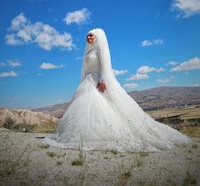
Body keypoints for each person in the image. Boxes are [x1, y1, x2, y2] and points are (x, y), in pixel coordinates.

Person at [43, 28, 191, 152]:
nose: (88, 37)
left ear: (97, 37)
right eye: (87, 35)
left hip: (97, 81)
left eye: (91, 35)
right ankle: (79, 137)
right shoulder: (88, 52)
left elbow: (104, 65)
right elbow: (85, 69)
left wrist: (102, 80)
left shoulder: (99, 49)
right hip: (87, 82)